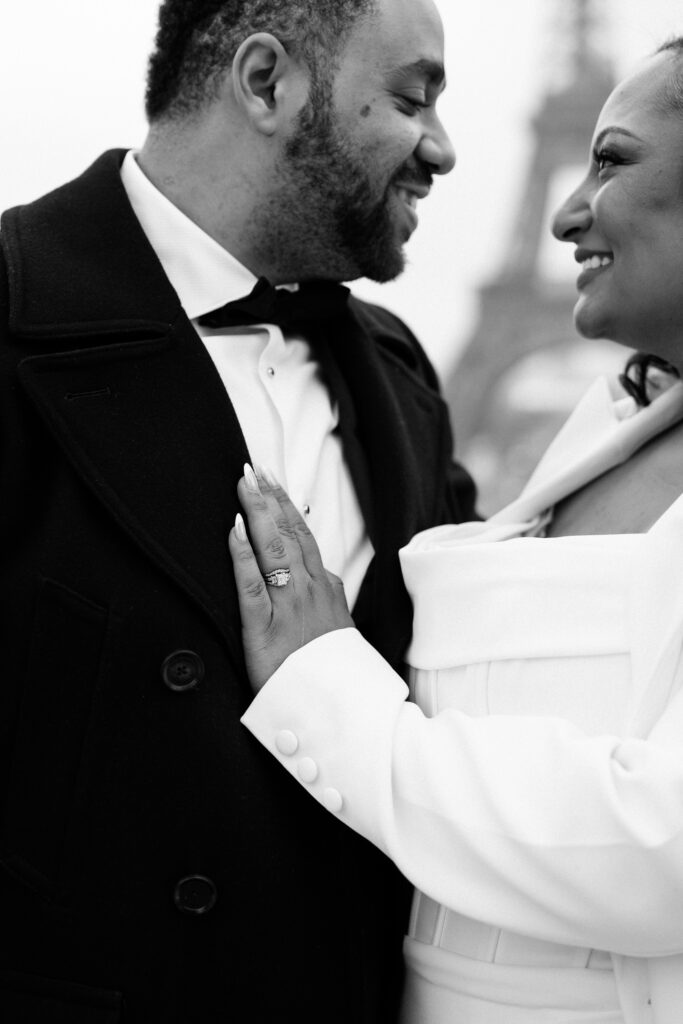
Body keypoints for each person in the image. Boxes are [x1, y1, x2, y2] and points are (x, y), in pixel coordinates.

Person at [0, 1, 477, 1020]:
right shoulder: (12, 311)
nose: (440, 147)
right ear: (266, 83)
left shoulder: (400, 378)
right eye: (410, 97)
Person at [230, 38, 683, 1024]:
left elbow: (665, 845)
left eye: (609, 161)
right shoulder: (619, 415)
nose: (566, 209)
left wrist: (328, 691)